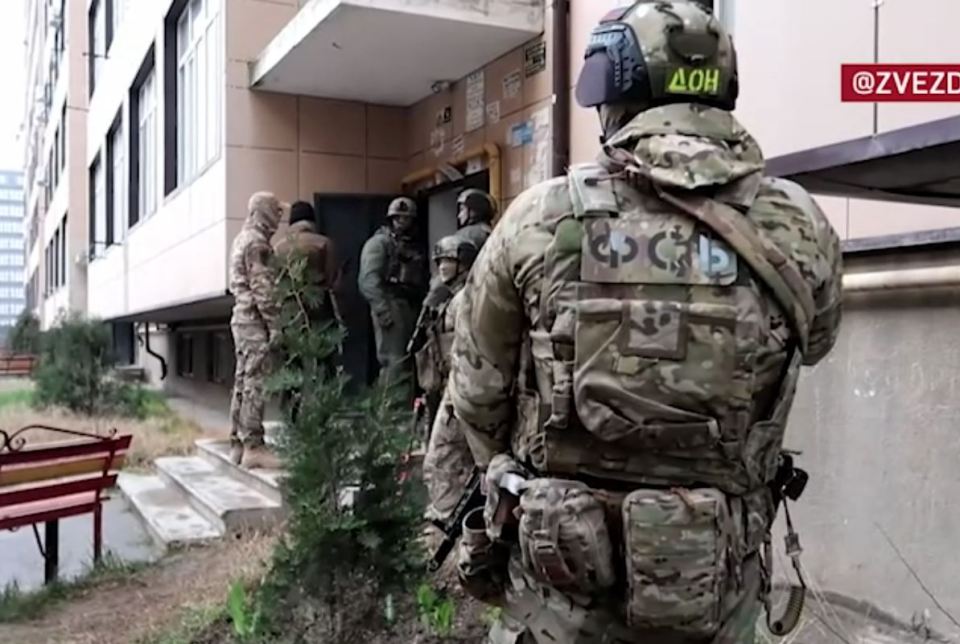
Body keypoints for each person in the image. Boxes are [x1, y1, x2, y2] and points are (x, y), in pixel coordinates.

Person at [447, 2, 844, 643]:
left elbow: (476, 394)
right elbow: (817, 342)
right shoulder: (797, 225)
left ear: (614, 91)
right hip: (715, 594)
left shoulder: (540, 219)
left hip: (560, 599)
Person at [410, 236, 479, 521]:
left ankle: (446, 515)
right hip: (449, 384)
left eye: (448, 260)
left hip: (462, 386)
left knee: (442, 457)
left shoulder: (465, 299)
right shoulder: (448, 297)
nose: (442, 267)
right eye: (439, 261)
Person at [229, 191, 287, 470]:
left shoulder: (241, 238)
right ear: (264, 213)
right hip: (254, 321)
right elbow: (263, 288)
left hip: (242, 318)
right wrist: (275, 325)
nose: (279, 218)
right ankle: (253, 446)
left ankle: (238, 443)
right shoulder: (257, 243)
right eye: (276, 212)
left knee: (243, 380)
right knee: (256, 382)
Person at [272, 200, 343, 421]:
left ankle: (290, 418)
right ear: (312, 220)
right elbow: (334, 282)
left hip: (289, 315)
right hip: (320, 312)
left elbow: (275, 283)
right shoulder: (324, 243)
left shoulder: (278, 247)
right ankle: (324, 418)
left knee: (291, 367)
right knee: (324, 366)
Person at [358, 196, 427, 392]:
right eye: (398, 218)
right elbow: (368, 281)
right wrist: (383, 311)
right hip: (391, 304)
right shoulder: (379, 243)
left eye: (407, 219)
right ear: (391, 219)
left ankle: (403, 412)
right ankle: (391, 415)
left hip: (409, 305)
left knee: (407, 362)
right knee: (394, 364)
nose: (402, 223)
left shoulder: (411, 245)